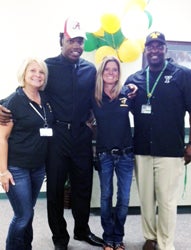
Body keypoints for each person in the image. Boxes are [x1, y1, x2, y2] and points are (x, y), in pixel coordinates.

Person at [0, 17, 103, 250]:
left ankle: (82, 230)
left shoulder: (90, 69)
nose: (76, 45)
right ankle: (60, 238)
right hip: (56, 137)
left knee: (83, 186)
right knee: (56, 189)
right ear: (61, 40)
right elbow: (24, 92)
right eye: (71, 40)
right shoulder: (48, 67)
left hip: (81, 136)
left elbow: (102, 93)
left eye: (79, 41)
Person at [124, 31, 191, 250]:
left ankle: (166, 243)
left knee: (167, 202)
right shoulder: (135, 80)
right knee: (146, 200)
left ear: (166, 49)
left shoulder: (183, 75)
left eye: (159, 46)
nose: (155, 50)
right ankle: (150, 237)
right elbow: (120, 110)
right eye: (150, 46)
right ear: (145, 50)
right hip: (141, 149)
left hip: (170, 150)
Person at [0, 57, 54, 250]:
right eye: (33, 71)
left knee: (28, 212)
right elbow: (2, 138)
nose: (37, 75)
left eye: (41, 72)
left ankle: (26, 246)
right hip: (17, 168)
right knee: (22, 215)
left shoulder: (45, 99)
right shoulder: (12, 103)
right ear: (24, 74)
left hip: (37, 168)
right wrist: (3, 171)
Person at [92, 56, 136, 250]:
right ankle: (108, 237)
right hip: (104, 155)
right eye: (107, 69)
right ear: (101, 73)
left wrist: (134, 87)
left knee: (124, 198)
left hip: (126, 154)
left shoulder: (127, 93)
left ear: (119, 73)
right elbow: (85, 120)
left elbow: (144, 114)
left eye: (115, 70)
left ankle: (118, 237)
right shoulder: (94, 96)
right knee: (106, 196)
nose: (111, 73)